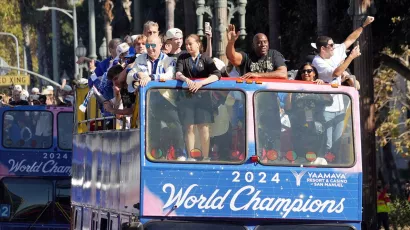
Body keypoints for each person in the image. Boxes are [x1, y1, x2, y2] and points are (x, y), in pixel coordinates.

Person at [312, 16, 374, 161]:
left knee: (337, 143)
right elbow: (337, 73)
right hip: (325, 108)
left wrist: (363, 26)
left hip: (340, 107)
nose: (334, 47)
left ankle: (333, 169)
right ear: (323, 49)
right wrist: (351, 57)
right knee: (326, 143)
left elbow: (349, 40)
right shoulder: (318, 61)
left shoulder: (335, 52)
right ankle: (321, 168)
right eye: (331, 45)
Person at [175, 34, 221, 161]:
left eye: (190, 43)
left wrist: (201, 83)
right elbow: (178, 73)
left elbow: (217, 74)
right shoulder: (183, 57)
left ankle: (206, 157)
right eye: (186, 44)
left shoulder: (205, 58)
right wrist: (186, 79)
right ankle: (191, 156)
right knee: (189, 126)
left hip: (204, 97)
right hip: (187, 96)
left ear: (198, 44)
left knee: (203, 127)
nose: (188, 46)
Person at [285, 63, 333, 164]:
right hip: (299, 126)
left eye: (309, 71)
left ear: (314, 73)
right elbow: (288, 108)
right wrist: (291, 88)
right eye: (303, 71)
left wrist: (322, 86)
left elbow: (329, 101)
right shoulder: (296, 88)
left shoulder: (319, 86)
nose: (306, 73)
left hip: (317, 125)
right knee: (300, 153)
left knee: (317, 154)